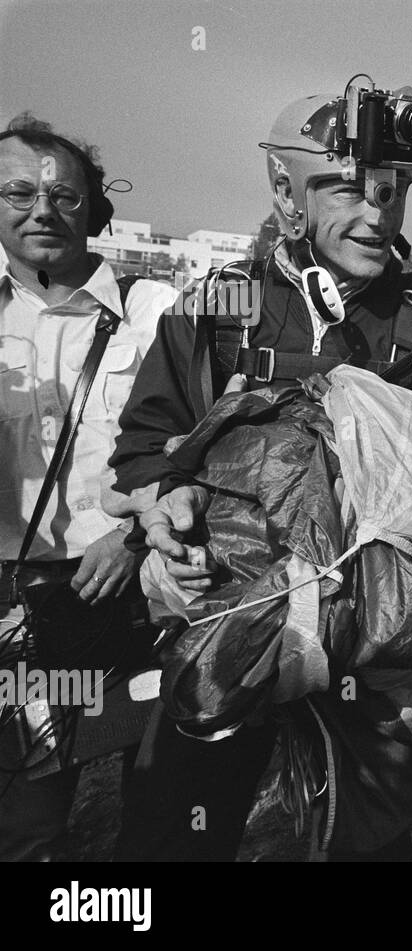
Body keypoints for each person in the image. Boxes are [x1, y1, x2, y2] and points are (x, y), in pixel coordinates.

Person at [106, 88, 412, 861]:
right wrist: (163, 504)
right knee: (176, 837)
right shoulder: (223, 303)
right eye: (344, 189)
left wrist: (378, 545)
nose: (376, 215)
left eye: (392, 190)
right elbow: (145, 440)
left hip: (377, 684)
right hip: (223, 640)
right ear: (283, 193)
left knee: (354, 846)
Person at [0, 113, 175, 860]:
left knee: (161, 808)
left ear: (93, 208)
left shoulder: (158, 314)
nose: (43, 208)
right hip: (22, 612)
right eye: (17, 191)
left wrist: (133, 533)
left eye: (65, 196)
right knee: (30, 816)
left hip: (144, 599)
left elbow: (206, 451)